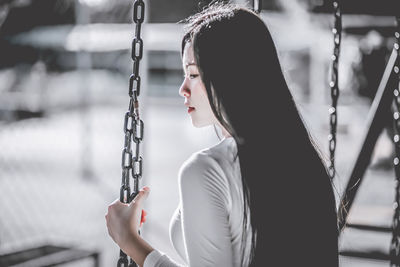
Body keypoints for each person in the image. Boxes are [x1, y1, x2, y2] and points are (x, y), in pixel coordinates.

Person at [105, 2, 339, 266]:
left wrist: (131, 242)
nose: (183, 88)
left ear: (230, 74)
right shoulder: (304, 159)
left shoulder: (207, 170)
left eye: (193, 73)